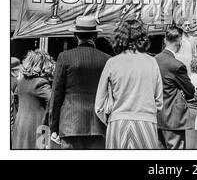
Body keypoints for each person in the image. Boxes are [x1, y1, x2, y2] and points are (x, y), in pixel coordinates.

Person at [95, 19, 163, 149]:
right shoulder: (152, 62)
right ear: (143, 37)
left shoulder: (112, 63)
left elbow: (99, 105)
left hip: (118, 123)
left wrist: (111, 119)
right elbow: (159, 101)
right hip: (146, 122)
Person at [49, 16, 111, 149]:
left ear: (75, 35)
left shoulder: (64, 57)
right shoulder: (107, 59)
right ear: (95, 36)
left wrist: (53, 127)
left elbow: (56, 94)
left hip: (70, 124)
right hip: (98, 125)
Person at [155, 26, 195, 149]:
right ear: (179, 41)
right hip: (173, 117)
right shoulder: (177, 65)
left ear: (165, 40)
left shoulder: (153, 60)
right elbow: (190, 91)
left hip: (156, 114)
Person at [12, 50, 55, 149]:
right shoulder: (41, 83)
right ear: (44, 65)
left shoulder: (21, 82)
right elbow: (53, 103)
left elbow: (16, 100)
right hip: (40, 130)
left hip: (19, 128)